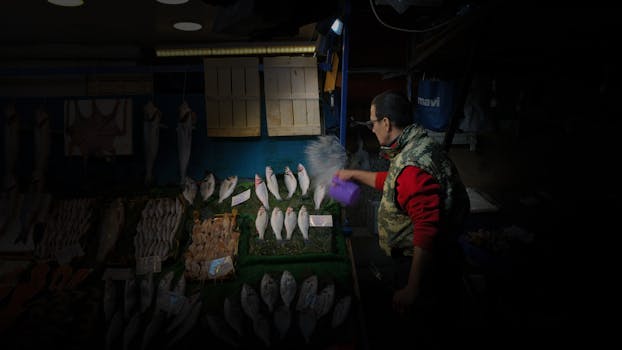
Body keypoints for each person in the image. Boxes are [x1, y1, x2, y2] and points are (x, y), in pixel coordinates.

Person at [335, 90, 470, 331]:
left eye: (372, 122)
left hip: (426, 268)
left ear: (386, 123)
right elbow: (396, 182)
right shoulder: (418, 147)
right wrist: (354, 174)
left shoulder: (411, 166)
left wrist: (412, 288)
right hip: (440, 259)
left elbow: (426, 228)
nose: (372, 128)